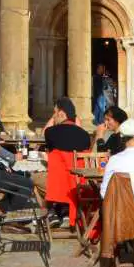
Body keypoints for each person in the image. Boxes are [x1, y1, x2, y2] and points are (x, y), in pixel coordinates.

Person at [42, 97, 93, 226]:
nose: (53, 116)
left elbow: (45, 133)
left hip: (58, 184)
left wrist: (53, 120)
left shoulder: (50, 133)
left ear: (61, 113)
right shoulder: (85, 136)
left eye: (55, 113)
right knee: (59, 177)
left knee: (34, 178)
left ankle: (52, 211)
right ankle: (64, 210)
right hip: (78, 184)